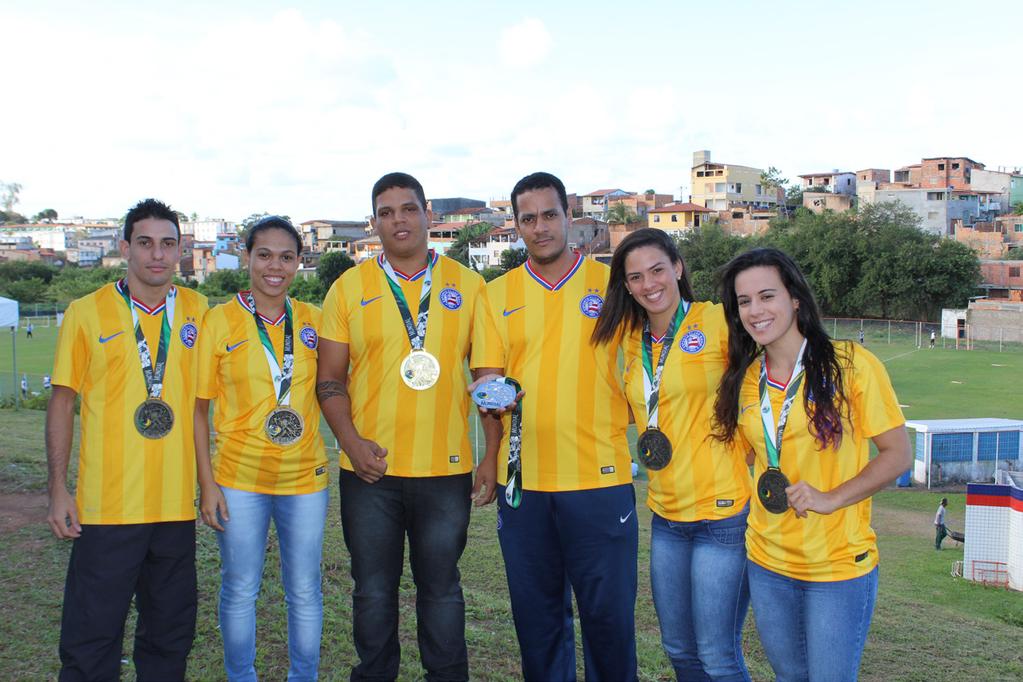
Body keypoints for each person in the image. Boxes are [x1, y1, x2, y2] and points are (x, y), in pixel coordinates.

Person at [316, 172, 500, 681]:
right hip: (370, 473)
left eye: (408, 209)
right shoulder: (347, 287)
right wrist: (350, 445)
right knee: (372, 590)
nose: (398, 219)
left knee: (441, 589)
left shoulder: (468, 285)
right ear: (374, 222)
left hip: (445, 472)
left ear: (428, 215)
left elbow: (486, 379)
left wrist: (490, 454)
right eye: (386, 212)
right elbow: (329, 381)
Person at [713, 247, 911, 682]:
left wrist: (831, 498)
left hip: (837, 566)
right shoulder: (744, 380)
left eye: (767, 296)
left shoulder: (851, 365)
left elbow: (898, 454)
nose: (755, 311)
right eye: (744, 302)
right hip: (767, 562)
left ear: (795, 298)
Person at [472, 172, 637, 681]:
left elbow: (644, 371)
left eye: (549, 214)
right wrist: (489, 458)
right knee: (538, 625)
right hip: (524, 487)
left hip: (600, 480)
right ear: (515, 224)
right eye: (528, 218)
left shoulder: (613, 285)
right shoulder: (495, 294)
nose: (540, 227)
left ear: (569, 217)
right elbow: (488, 385)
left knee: (608, 624)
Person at [46, 198, 207, 681]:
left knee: (168, 641)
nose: (157, 255)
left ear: (180, 251)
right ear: (125, 249)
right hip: (105, 508)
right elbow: (61, 402)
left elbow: (203, 407)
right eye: (145, 244)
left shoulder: (200, 311)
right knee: (91, 640)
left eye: (167, 244)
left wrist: (209, 483)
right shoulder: (85, 312)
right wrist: (57, 488)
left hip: (175, 508)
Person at [591, 227, 752, 681]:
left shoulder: (717, 320)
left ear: (678, 268)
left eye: (658, 270)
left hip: (723, 516)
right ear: (626, 286)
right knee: (679, 649)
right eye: (636, 277)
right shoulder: (628, 341)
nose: (649, 284)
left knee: (718, 656)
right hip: (665, 516)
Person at [194, 216, 328, 680]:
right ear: (247, 257)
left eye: (287, 256)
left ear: (298, 263)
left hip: (305, 479)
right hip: (237, 479)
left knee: (306, 590)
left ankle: (303, 677)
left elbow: (335, 387)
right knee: (239, 589)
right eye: (265, 254)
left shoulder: (313, 320)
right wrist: (206, 483)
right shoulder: (219, 320)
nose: (275, 266)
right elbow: (197, 411)